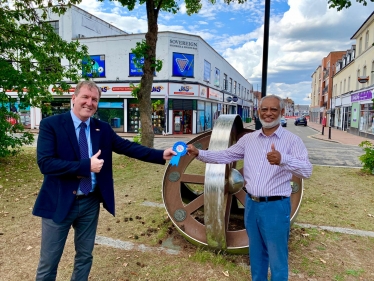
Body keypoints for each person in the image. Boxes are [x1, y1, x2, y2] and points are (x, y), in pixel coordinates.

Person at [33, 80, 175, 281]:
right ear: (73, 98)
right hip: (58, 201)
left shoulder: (102, 129)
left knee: (84, 256)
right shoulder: (52, 125)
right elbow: (46, 164)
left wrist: (161, 154)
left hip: (89, 203)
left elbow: (128, 147)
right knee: (49, 262)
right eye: (85, 97)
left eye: (94, 99)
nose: (89, 103)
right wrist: (85, 166)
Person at [187, 95, 312, 281]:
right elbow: (226, 156)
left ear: (282, 112)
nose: (268, 114)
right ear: (258, 112)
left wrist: (283, 160)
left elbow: (307, 170)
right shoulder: (249, 140)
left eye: (273, 110)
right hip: (252, 205)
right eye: (264, 109)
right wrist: (199, 153)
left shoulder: (292, 141)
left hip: (276, 207)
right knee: (256, 254)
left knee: (277, 257)